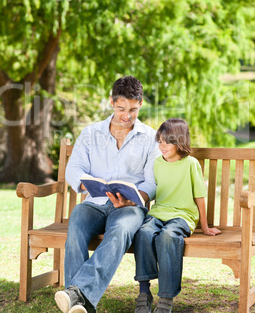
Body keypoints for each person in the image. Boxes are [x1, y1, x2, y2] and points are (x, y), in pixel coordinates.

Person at [54, 76, 160, 313]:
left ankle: (75, 294)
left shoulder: (150, 138)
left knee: (120, 231)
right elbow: (74, 168)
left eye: (133, 109)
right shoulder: (91, 133)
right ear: (112, 102)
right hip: (95, 201)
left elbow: (152, 182)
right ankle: (80, 302)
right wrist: (84, 185)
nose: (127, 115)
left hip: (129, 207)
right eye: (121, 108)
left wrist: (137, 197)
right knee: (77, 223)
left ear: (141, 104)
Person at [133, 118, 221, 313]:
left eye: (167, 141)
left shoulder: (191, 164)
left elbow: (200, 196)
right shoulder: (157, 163)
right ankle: (144, 292)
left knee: (167, 236)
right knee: (144, 233)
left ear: (179, 141)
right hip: (158, 213)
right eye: (160, 141)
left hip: (182, 216)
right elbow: (152, 188)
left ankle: (166, 297)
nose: (162, 146)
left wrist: (204, 227)